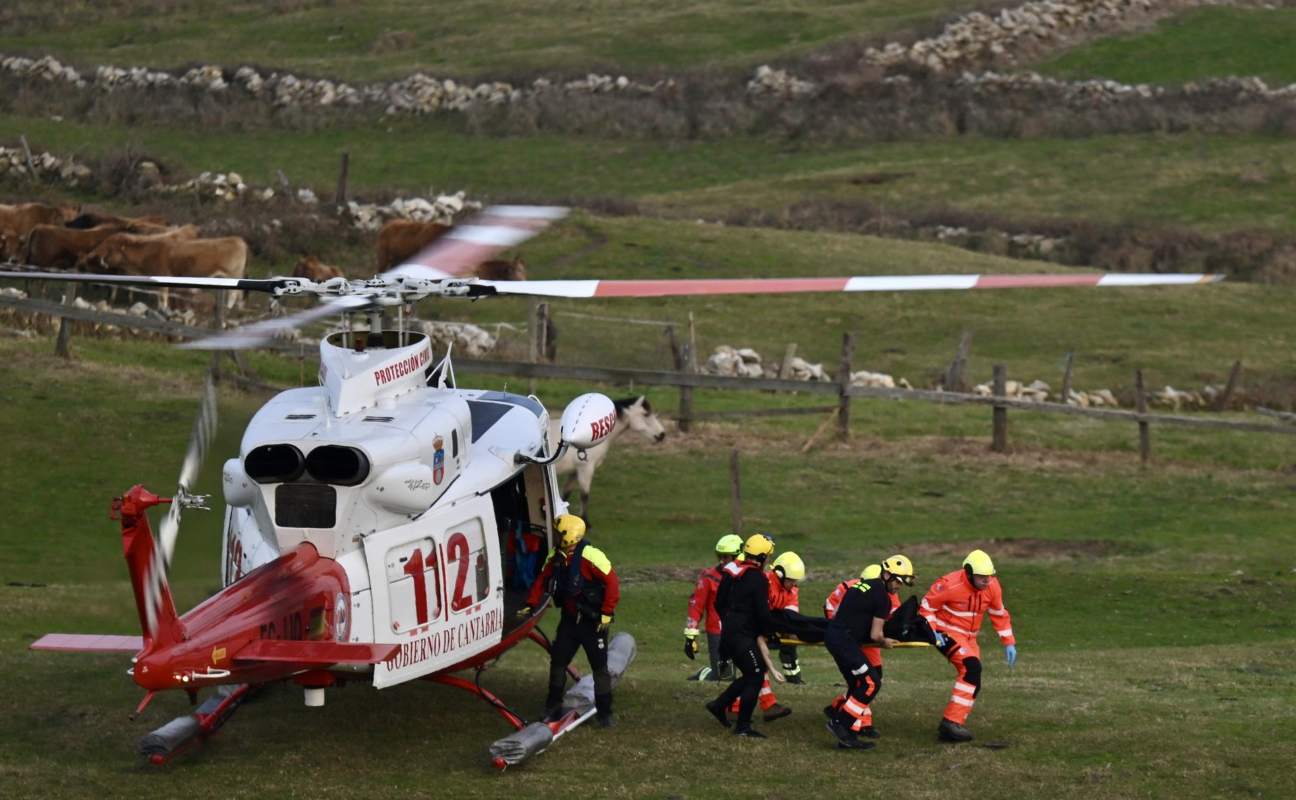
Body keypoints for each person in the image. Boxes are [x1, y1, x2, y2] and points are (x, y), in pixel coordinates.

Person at [520, 513, 621, 727]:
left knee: (599, 669)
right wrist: (531, 603)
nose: (554, 537)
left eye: (558, 534)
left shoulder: (592, 557)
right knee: (558, 662)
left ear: (568, 537)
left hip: (593, 624)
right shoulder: (555, 557)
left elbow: (612, 583)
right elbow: (542, 579)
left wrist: (606, 612)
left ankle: (605, 713)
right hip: (569, 621)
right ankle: (552, 706)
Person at [920, 549, 1017, 743]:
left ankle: (953, 724)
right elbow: (926, 607)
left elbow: (999, 614)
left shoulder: (992, 586)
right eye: (982, 578)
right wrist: (933, 633)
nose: (986, 582)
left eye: (989, 577)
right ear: (969, 573)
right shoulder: (949, 585)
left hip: (969, 638)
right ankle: (950, 724)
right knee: (971, 668)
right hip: (946, 633)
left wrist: (1009, 642)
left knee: (973, 678)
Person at [822, 555, 915, 749]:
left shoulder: (860, 586)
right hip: (845, 642)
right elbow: (875, 634)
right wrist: (885, 641)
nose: (899, 586)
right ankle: (839, 723)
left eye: (902, 583)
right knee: (872, 683)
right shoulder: (883, 597)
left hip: (834, 637)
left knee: (858, 684)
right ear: (887, 574)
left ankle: (848, 737)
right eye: (898, 581)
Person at [706, 533, 781, 738]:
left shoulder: (731, 571)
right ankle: (743, 726)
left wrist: (730, 621)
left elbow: (718, 603)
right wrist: (769, 634)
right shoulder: (758, 578)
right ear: (763, 557)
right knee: (756, 676)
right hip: (743, 636)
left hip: (728, 633)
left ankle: (719, 705)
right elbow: (762, 612)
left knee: (752, 673)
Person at [684, 534, 743, 681]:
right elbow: (695, 606)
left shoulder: (748, 576)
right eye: (720, 557)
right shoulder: (709, 577)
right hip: (717, 632)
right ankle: (705, 673)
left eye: (726, 557)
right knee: (723, 676)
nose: (722, 561)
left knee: (734, 675)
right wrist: (691, 636)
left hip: (740, 631)